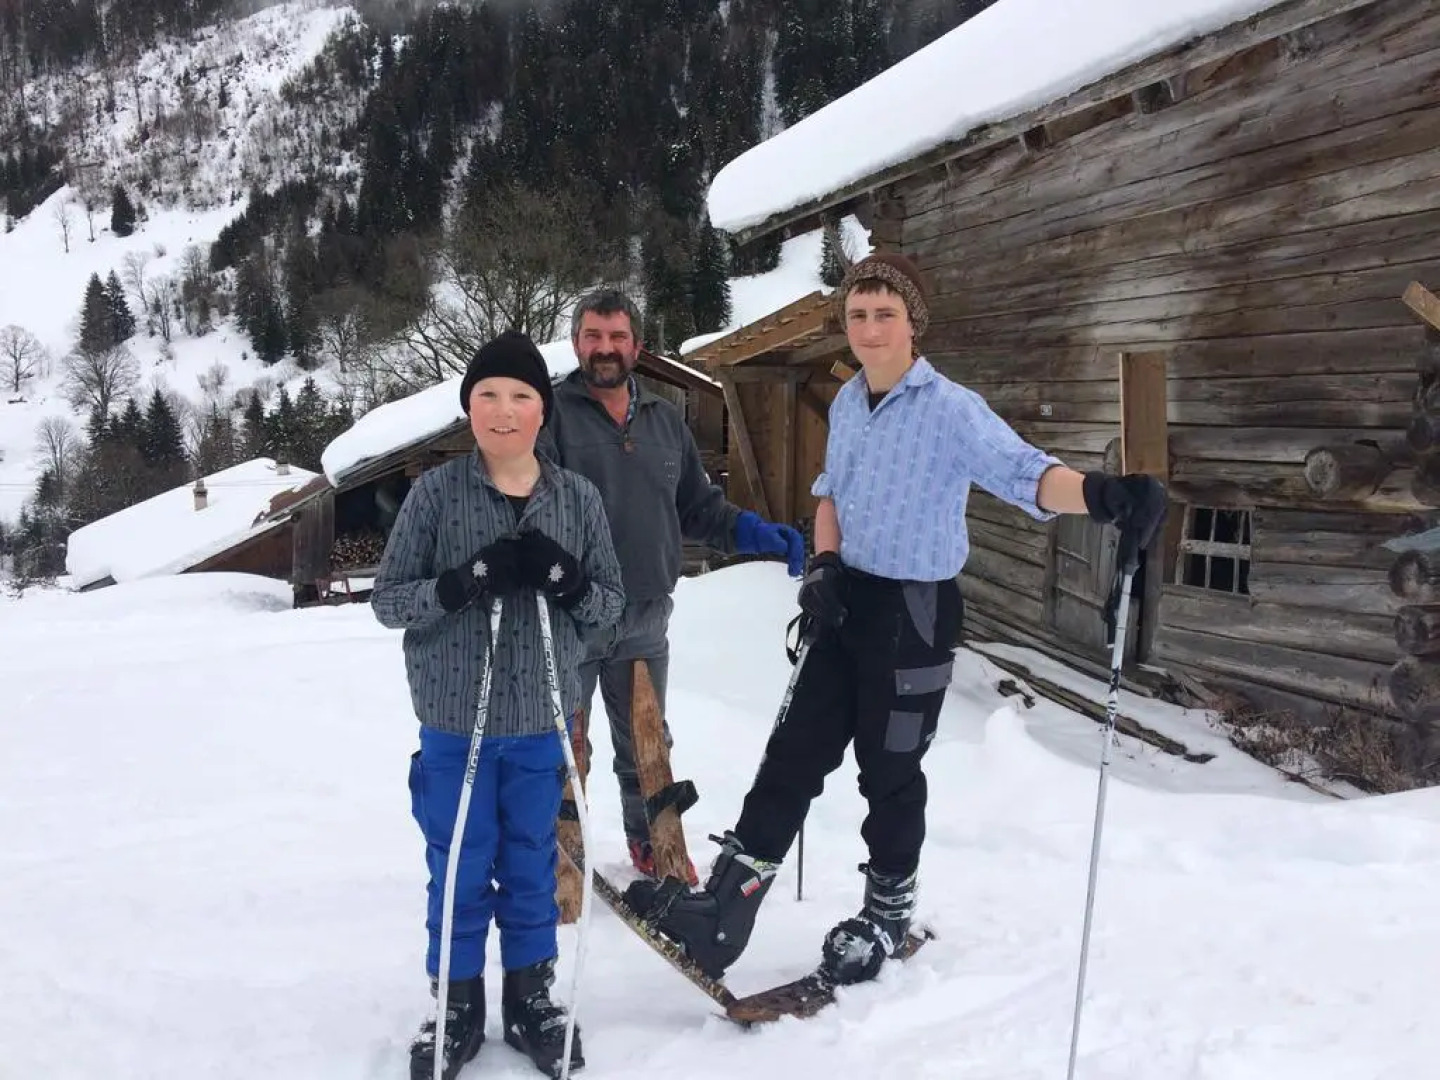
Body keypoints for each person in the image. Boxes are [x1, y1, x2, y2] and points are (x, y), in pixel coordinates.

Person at [632, 253, 1168, 986]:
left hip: (914, 613)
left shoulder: (951, 409)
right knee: (791, 756)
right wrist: (824, 565)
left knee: (888, 773)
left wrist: (1103, 496)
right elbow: (830, 496)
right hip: (845, 603)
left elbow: (1025, 473)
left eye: (884, 314)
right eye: (857, 315)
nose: (869, 328)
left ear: (913, 323)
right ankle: (725, 910)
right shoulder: (849, 403)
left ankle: (886, 913)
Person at [372, 331, 624, 1080]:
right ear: (469, 407)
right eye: (487, 395)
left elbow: (609, 609)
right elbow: (388, 601)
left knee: (530, 861)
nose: (503, 411)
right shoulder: (436, 494)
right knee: (457, 860)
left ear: (542, 411)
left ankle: (529, 996)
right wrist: (460, 584)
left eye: (520, 396)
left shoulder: (576, 498)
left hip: (540, 719)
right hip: (457, 720)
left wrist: (568, 580)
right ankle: (455, 1004)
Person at [539, 289, 807, 881]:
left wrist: (756, 533)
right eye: (593, 336)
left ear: (637, 346)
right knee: (562, 746)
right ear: (576, 343)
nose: (605, 348)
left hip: (646, 614)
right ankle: (555, 854)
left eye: (617, 336)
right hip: (569, 618)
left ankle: (652, 844)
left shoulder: (665, 420)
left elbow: (698, 507)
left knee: (648, 744)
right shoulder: (550, 416)